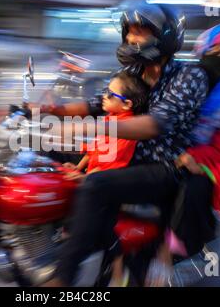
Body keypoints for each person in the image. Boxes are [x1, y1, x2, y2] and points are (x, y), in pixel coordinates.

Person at [42, 0, 209, 286]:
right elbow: (97, 104)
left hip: (163, 167)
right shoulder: (132, 73)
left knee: (95, 184)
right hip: (123, 156)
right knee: (43, 152)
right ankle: (52, 237)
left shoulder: (189, 76)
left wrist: (96, 130)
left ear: (165, 37)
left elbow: (155, 124)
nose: (132, 38)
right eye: (129, 31)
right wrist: (54, 110)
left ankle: (62, 276)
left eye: (140, 31)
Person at [146, 24, 220, 287]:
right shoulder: (189, 76)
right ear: (204, 49)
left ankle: (168, 257)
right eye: (218, 47)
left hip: (213, 154)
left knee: (192, 189)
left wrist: (202, 154)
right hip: (174, 145)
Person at [61, 70, 149, 286]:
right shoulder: (109, 119)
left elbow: (113, 166)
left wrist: (85, 177)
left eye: (110, 94)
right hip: (94, 177)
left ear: (127, 104)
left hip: (107, 186)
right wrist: (78, 167)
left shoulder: (127, 129)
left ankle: (119, 271)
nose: (104, 96)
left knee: (102, 225)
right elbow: (93, 149)